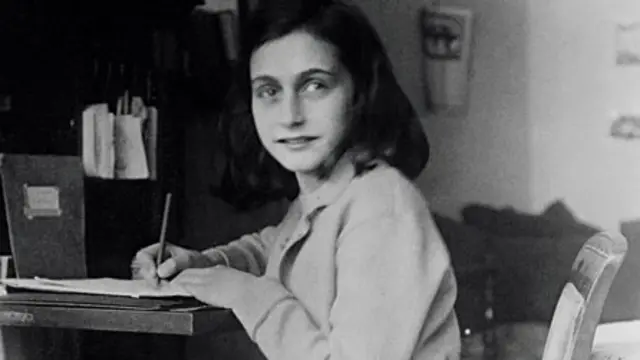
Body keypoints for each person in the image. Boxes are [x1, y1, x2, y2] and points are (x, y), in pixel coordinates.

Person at [132, 0, 461, 359]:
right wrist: (203, 265)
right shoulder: (321, 201)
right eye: (269, 91)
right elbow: (274, 250)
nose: (290, 116)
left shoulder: (381, 204)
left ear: (359, 93)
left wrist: (247, 293)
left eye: (314, 85)